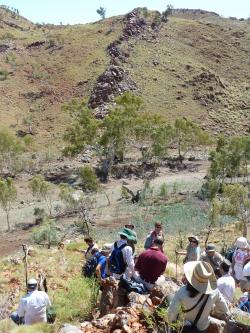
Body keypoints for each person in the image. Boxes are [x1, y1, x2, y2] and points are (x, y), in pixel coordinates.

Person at [168, 261, 229, 332]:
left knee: (169, 297)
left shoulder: (182, 292)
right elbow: (224, 309)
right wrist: (210, 308)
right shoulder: (215, 292)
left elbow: (171, 315)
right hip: (201, 329)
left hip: (182, 328)